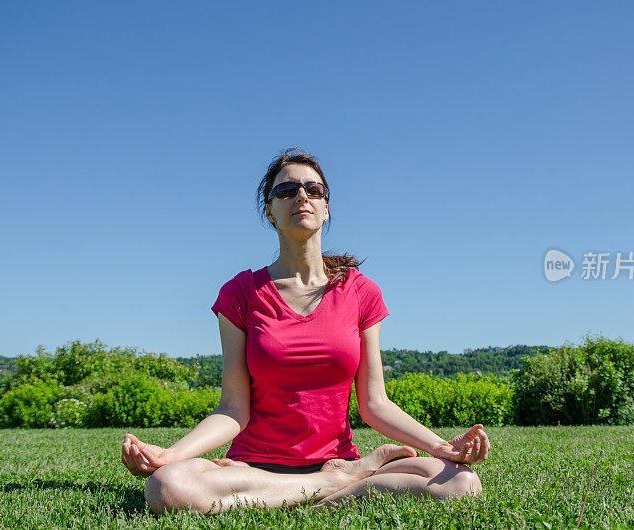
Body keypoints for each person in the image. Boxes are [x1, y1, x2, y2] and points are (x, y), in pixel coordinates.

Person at [121, 148, 492, 515]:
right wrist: (173, 455)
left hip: (333, 459)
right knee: (168, 487)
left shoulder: (362, 292)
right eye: (287, 191)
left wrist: (441, 447)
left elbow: (375, 404)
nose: (302, 196)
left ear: (326, 208)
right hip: (256, 468)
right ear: (270, 211)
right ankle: (331, 487)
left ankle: (299, 493)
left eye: (314, 190)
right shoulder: (240, 293)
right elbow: (233, 409)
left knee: (462, 483)